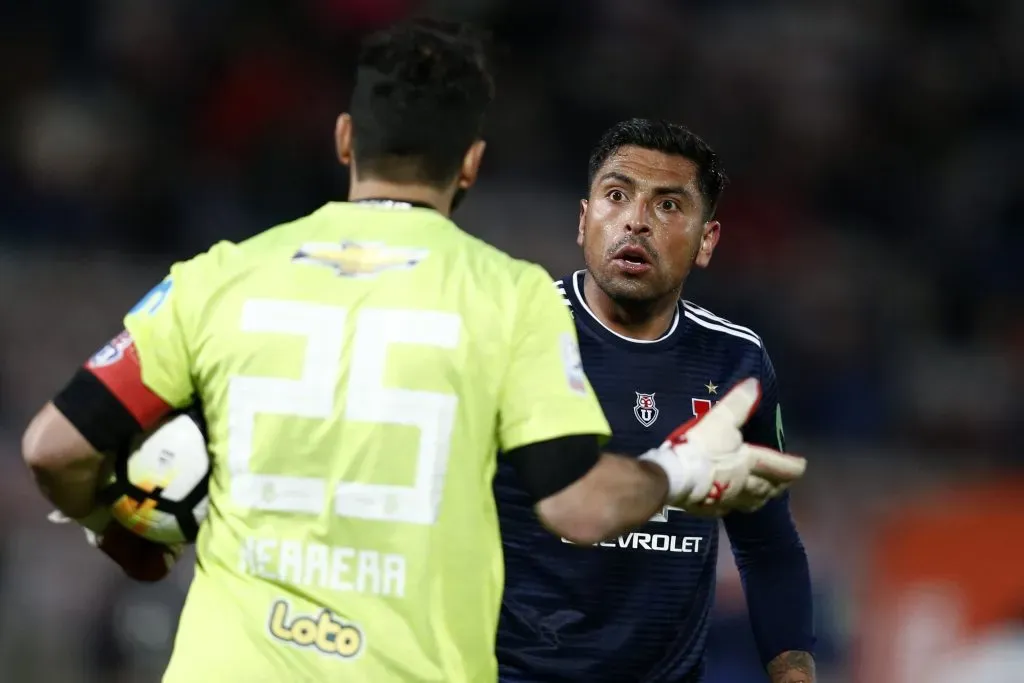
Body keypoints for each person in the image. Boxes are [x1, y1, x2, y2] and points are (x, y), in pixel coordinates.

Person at [19, 23, 806, 683]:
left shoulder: (219, 278)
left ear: (344, 137)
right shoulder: (507, 299)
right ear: (470, 161)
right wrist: (683, 469)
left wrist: (118, 532)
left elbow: (52, 447)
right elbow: (578, 504)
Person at [494, 118, 817, 683]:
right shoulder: (511, 333)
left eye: (668, 206)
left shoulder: (737, 362)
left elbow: (768, 545)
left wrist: (794, 674)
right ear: (583, 219)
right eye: (616, 196)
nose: (635, 221)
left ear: (706, 241)